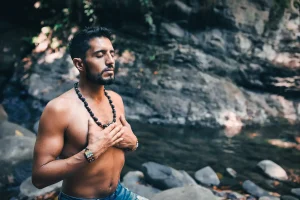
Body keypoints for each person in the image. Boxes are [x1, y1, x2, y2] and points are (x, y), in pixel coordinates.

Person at [32, 27, 147, 200]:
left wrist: (133, 143)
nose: (110, 61)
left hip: (118, 194)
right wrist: (90, 153)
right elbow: (39, 178)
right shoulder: (59, 109)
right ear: (80, 64)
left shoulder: (115, 100)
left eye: (112, 53)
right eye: (100, 55)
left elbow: (121, 147)